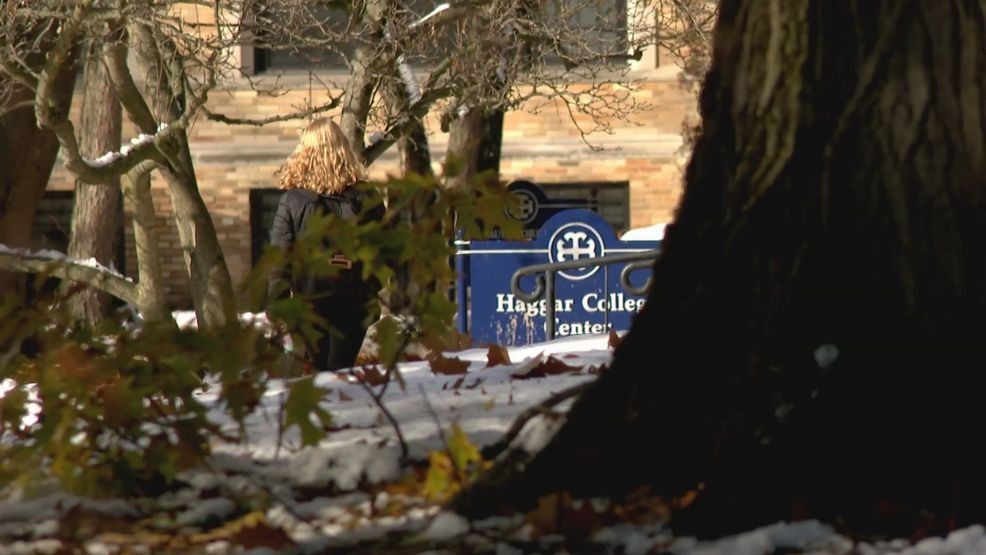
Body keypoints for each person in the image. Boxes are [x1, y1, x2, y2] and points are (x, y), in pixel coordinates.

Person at [266, 118, 381, 371]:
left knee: (318, 376)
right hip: (354, 304)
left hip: (310, 303)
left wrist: (277, 303)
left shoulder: (292, 201)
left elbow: (279, 257)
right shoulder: (367, 197)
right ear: (343, 149)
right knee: (339, 373)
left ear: (304, 153)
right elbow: (382, 253)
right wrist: (370, 291)